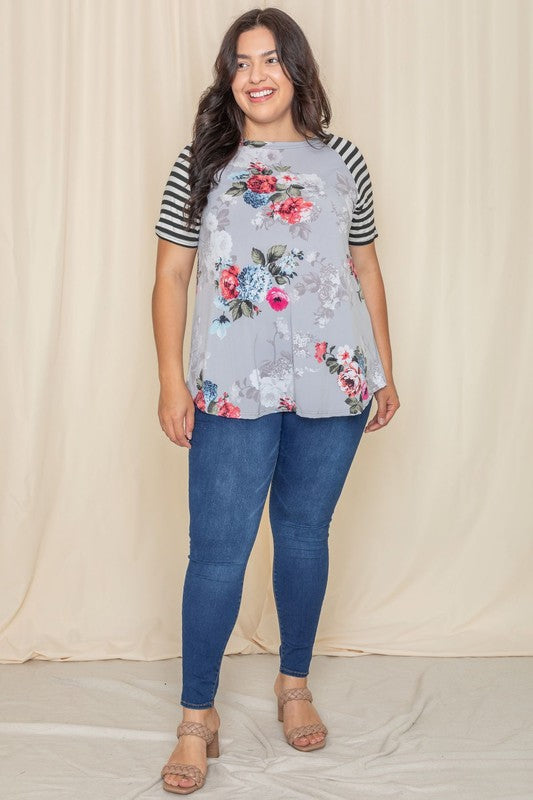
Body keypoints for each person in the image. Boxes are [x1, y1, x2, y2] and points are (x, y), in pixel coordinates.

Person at [152, 6, 399, 794]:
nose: (255, 75)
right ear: (228, 77)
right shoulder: (201, 161)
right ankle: (198, 718)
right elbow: (170, 276)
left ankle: (293, 683)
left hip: (336, 380)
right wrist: (169, 380)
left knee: (303, 535)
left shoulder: (343, 161)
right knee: (217, 553)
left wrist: (384, 372)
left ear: (296, 69)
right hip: (231, 386)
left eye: (270, 59)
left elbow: (363, 267)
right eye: (240, 62)